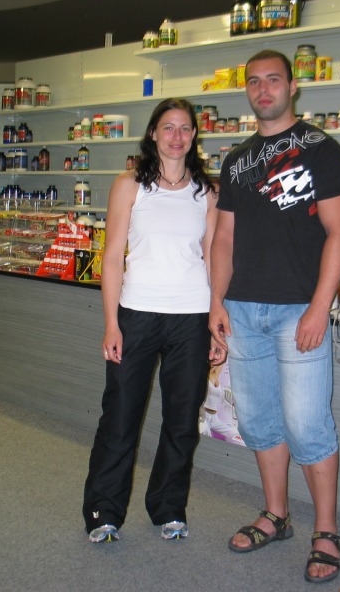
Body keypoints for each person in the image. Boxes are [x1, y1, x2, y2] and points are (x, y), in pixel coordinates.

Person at [209, 49, 340, 584]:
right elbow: (224, 237)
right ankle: (276, 515)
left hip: (299, 310)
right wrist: (216, 302)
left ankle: (326, 531)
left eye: (273, 80)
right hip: (244, 309)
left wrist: (320, 305)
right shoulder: (236, 160)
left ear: (293, 87)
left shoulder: (322, 150)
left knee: (308, 426)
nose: (263, 89)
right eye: (254, 81)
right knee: (258, 422)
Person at [83, 98, 221, 544]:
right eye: (168, 127)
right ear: (153, 134)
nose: (176, 136)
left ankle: (168, 507)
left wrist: (216, 318)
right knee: (120, 417)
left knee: (181, 421)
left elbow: (213, 259)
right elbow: (112, 258)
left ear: (194, 136)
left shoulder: (207, 192)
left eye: (184, 128)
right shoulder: (129, 185)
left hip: (191, 317)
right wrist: (111, 323)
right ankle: (104, 512)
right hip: (137, 314)